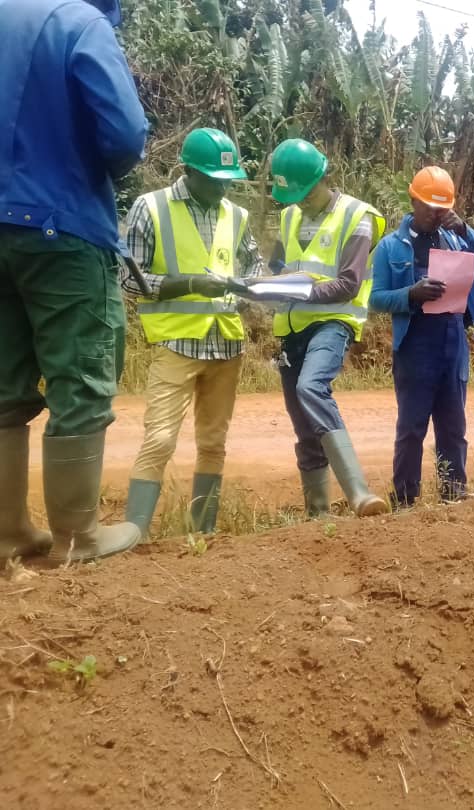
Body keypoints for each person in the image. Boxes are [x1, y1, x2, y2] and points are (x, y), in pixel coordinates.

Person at [0, 0, 147, 564]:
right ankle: (75, 538)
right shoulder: (79, 23)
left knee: (3, 380)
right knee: (81, 373)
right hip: (61, 223)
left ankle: (9, 529)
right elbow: (124, 136)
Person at [122, 128, 262, 538]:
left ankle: (203, 532)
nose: (222, 188)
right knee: (160, 439)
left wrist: (247, 286)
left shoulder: (236, 216)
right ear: (187, 171)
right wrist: (187, 284)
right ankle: (135, 532)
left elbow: (252, 266)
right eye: (213, 180)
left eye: (227, 181)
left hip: (225, 342)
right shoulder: (150, 208)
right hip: (176, 342)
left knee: (214, 442)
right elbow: (128, 280)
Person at [267, 138, 389, 518]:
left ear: (322, 178)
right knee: (303, 424)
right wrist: (263, 285)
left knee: (311, 387)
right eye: (294, 194)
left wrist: (297, 290)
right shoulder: (289, 217)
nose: (299, 200)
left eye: (304, 192)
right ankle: (318, 514)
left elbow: (349, 284)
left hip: (334, 322)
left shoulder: (358, 216)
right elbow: (277, 268)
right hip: (291, 329)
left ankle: (359, 493)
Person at [370, 166, 474, 507]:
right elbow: (375, 297)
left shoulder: (456, 239)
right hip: (415, 344)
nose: (434, 213)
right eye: (428, 205)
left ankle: (454, 494)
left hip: (453, 340)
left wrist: (467, 229)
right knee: (412, 428)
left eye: (441, 207)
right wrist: (410, 294)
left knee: (453, 427)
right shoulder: (390, 247)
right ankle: (404, 499)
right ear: (413, 200)